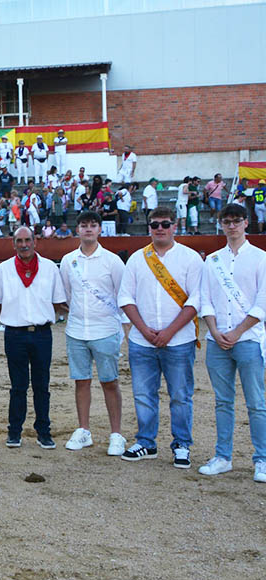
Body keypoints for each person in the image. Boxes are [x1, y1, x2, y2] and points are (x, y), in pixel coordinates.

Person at [118, 207, 202, 468]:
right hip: (142, 340)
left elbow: (196, 300)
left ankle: (182, 444)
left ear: (175, 226)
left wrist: (170, 331)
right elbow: (125, 298)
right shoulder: (137, 259)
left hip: (179, 340)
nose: (160, 229)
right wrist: (143, 329)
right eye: (155, 225)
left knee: (180, 395)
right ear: (149, 228)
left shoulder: (190, 259)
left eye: (165, 224)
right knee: (143, 394)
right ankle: (146, 442)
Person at [197, 203, 266, 482]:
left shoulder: (261, 258)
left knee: (256, 402)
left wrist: (237, 332)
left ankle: (262, 459)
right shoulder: (212, 260)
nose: (232, 226)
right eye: (227, 221)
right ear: (221, 225)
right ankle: (223, 456)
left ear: (246, 223)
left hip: (248, 338)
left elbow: (263, 302)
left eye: (237, 220)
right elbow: (205, 299)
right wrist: (214, 331)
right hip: (217, 340)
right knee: (222, 401)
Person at [59, 211, 128, 456]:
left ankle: (116, 434)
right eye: (84, 225)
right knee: (81, 381)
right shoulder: (68, 261)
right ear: (77, 229)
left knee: (110, 381)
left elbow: (122, 295)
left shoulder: (112, 261)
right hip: (76, 330)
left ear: (100, 229)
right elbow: (67, 294)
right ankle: (84, 430)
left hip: (106, 330)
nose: (88, 229)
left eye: (93, 225)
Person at [0, 226, 66, 448]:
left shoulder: (49, 268)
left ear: (35, 242)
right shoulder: (4, 269)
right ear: (13, 244)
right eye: (19, 241)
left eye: (27, 240)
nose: (24, 245)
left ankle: (44, 432)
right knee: (18, 386)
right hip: (15, 334)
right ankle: (14, 432)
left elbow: (57, 302)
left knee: (42, 385)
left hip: (42, 333)